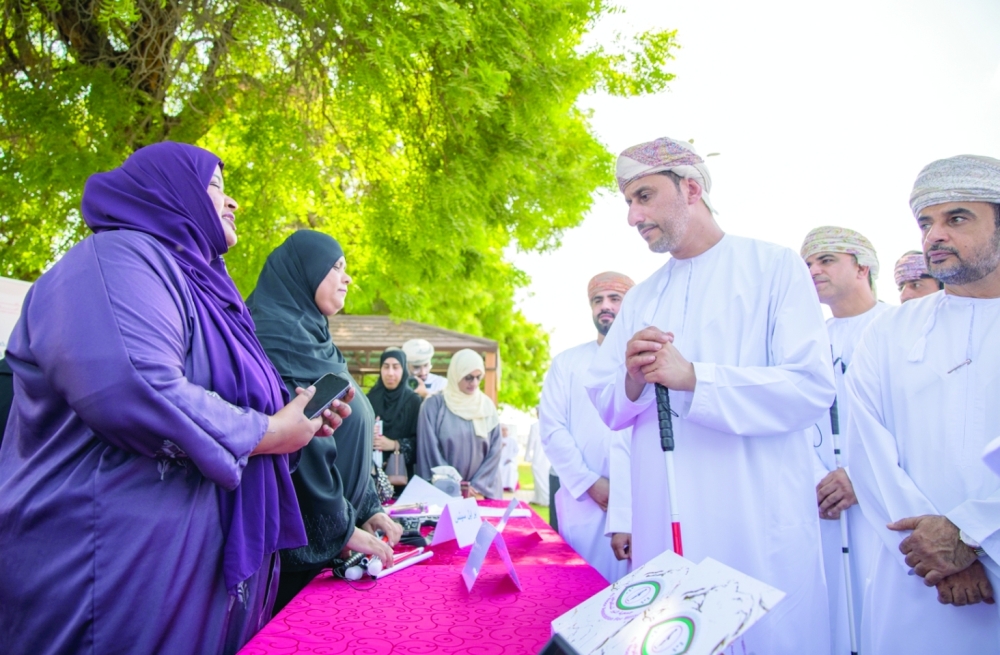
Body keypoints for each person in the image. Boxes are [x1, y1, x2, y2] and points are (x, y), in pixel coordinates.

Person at [0, 142, 351, 655]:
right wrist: (270, 432)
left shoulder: (203, 288)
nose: (233, 204)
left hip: (187, 572)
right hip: (112, 571)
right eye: (216, 187)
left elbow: (216, 404)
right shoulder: (118, 258)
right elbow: (133, 385)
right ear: (167, 189)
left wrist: (291, 422)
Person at [585, 137, 835, 655]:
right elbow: (609, 405)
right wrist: (632, 377)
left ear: (691, 188)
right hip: (665, 517)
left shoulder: (774, 267)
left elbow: (811, 387)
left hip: (752, 512)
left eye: (645, 196)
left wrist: (696, 378)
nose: (633, 215)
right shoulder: (643, 297)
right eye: (628, 202)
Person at [846, 154, 1000, 652]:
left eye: (956, 218)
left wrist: (972, 533)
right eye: (926, 222)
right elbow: (867, 452)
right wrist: (930, 551)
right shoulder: (888, 331)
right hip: (916, 575)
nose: (934, 235)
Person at [246, 230, 399, 611]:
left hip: (334, 539)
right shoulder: (275, 335)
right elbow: (305, 440)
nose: (347, 278)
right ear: (307, 272)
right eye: (337, 267)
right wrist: (343, 528)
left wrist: (366, 509)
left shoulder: (314, 337)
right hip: (296, 548)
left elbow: (345, 433)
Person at [801, 226, 890, 655]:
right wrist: (822, 477)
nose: (813, 270)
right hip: (823, 499)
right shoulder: (807, 340)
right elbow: (795, 419)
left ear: (862, 266)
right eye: (808, 264)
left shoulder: (897, 327)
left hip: (884, 500)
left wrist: (860, 475)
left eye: (825, 260)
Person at [540, 271, 635, 583]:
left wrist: (623, 495)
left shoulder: (646, 360)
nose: (604, 306)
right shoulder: (567, 363)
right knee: (581, 593)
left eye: (614, 299)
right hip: (583, 500)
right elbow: (552, 429)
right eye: (598, 300)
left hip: (639, 499)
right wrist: (590, 482)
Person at [416, 349, 503, 499]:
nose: (474, 383)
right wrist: (456, 486)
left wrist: (477, 486)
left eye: (478, 377)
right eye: (468, 377)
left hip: (480, 495)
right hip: (443, 494)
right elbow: (429, 450)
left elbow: (495, 450)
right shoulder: (434, 405)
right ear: (456, 374)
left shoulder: (486, 406)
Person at [367, 347, 422, 494]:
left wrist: (394, 444)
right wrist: (368, 434)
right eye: (386, 367)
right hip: (372, 479)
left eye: (396, 367)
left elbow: (422, 442)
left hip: (402, 479)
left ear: (403, 370)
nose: (390, 373)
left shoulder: (413, 401)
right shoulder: (370, 399)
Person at [523, 414, 550, 506]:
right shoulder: (550, 424)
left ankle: (546, 499)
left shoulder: (535, 425)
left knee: (540, 477)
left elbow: (531, 441)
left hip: (539, 455)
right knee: (543, 476)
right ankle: (538, 498)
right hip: (549, 455)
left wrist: (527, 455)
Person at [500, 423, 520, 491]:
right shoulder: (497, 440)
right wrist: (501, 447)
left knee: (510, 467)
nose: (504, 431)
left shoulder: (512, 440)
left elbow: (516, 451)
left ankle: (510, 486)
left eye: (506, 430)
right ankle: (500, 486)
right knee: (498, 468)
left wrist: (510, 459)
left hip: (509, 460)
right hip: (499, 460)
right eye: (503, 430)